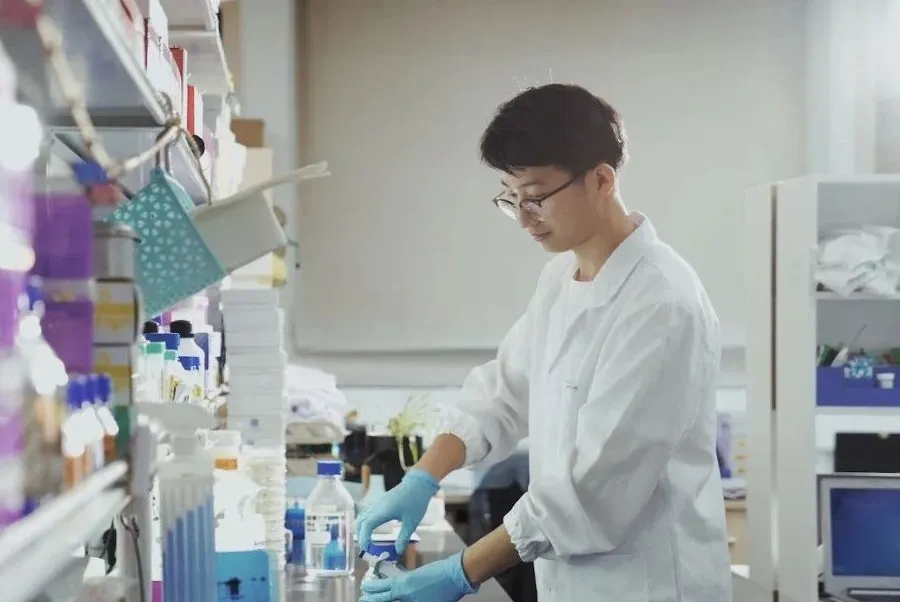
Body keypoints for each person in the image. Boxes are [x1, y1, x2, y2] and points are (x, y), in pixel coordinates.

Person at [356, 83, 733, 602]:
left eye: (535, 197)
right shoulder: (561, 279)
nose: (524, 217)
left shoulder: (662, 306)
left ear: (601, 180)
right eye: (510, 198)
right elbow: (503, 393)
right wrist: (422, 478)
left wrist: (459, 573)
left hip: (650, 585)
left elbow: (591, 494)